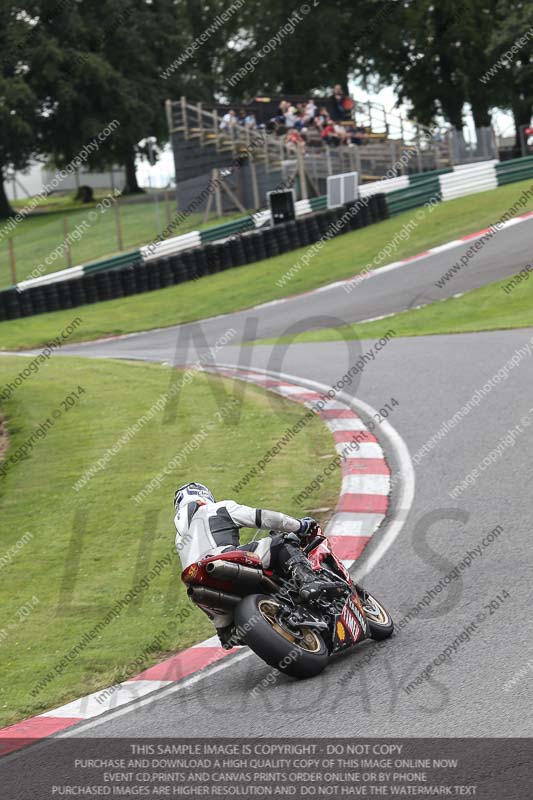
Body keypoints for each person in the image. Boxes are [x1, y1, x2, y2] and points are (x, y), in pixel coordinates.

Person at [173, 482, 330, 645]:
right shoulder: (218, 508)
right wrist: (300, 525)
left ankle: (226, 630)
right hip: (222, 560)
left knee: (227, 634)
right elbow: (263, 517)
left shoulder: (180, 539)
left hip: (200, 585)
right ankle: (309, 581)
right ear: (204, 494)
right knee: (282, 542)